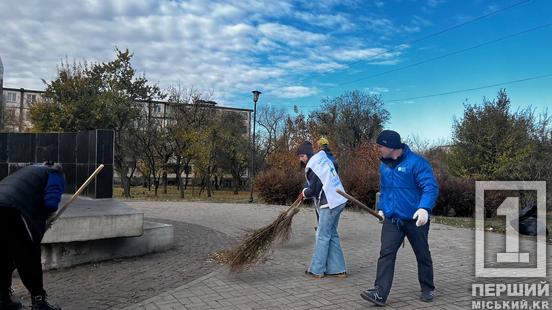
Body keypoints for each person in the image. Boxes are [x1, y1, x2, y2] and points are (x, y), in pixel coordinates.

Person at [360, 130, 439, 306]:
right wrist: (381, 208)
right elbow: (385, 189)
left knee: (422, 254)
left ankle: (427, 288)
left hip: (415, 219)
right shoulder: (384, 165)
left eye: (380, 146)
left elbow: (430, 187)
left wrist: (424, 208)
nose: (378, 149)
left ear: (391, 146)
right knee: (386, 254)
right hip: (393, 220)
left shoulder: (417, 163)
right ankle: (379, 293)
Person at [0, 162, 65, 310]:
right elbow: (51, 203)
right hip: (12, 210)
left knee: (4, 256)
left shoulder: (29, 171)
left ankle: (3, 299)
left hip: (4, 205)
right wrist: (46, 218)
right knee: (29, 256)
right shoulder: (55, 173)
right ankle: (39, 301)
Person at [297, 141, 349, 278]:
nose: (300, 159)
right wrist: (305, 190)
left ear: (307, 155)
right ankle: (339, 269)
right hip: (339, 200)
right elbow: (313, 183)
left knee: (322, 235)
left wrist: (304, 193)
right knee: (331, 234)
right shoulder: (321, 160)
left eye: (301, 156)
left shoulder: (313, 166)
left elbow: (314, 190)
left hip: (329, 203)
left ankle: (317, 269)